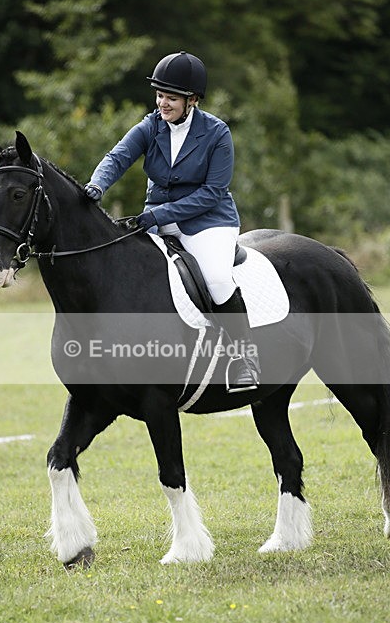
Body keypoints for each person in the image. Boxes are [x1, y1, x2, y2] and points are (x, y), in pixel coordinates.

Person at [85, 51, 260, 392]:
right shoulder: (150, 126)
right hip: (155, 221)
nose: (163, 103)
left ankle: (245, 358)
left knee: (217, 279)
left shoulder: (216, 133)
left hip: (209, 221)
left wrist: (155, 216)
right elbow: (117, 157)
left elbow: (212, 192)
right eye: (159, 95)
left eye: (171, 98)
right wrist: (95, 186)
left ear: (192, 100)